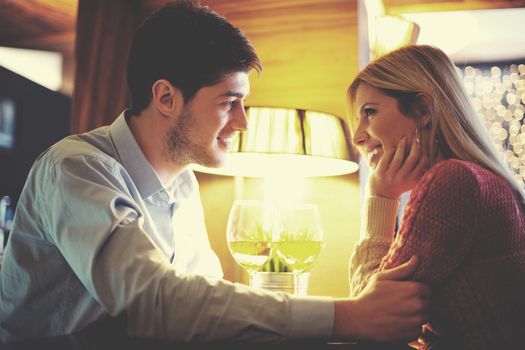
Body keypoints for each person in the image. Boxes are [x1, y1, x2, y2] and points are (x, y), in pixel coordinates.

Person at [0, 0, 430, 344]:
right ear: (166, 97)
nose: (242, 123)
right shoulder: (77, 169)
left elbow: (201, 304)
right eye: (229, 102)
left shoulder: (183, 183)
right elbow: (153, 302)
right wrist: (346, 317)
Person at [347, 44, 525, 350]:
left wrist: (380, 197)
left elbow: (371, 318)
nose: (357, 136)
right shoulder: (484, 181)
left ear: (423, 110)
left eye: (370, 112)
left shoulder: (454, 180)